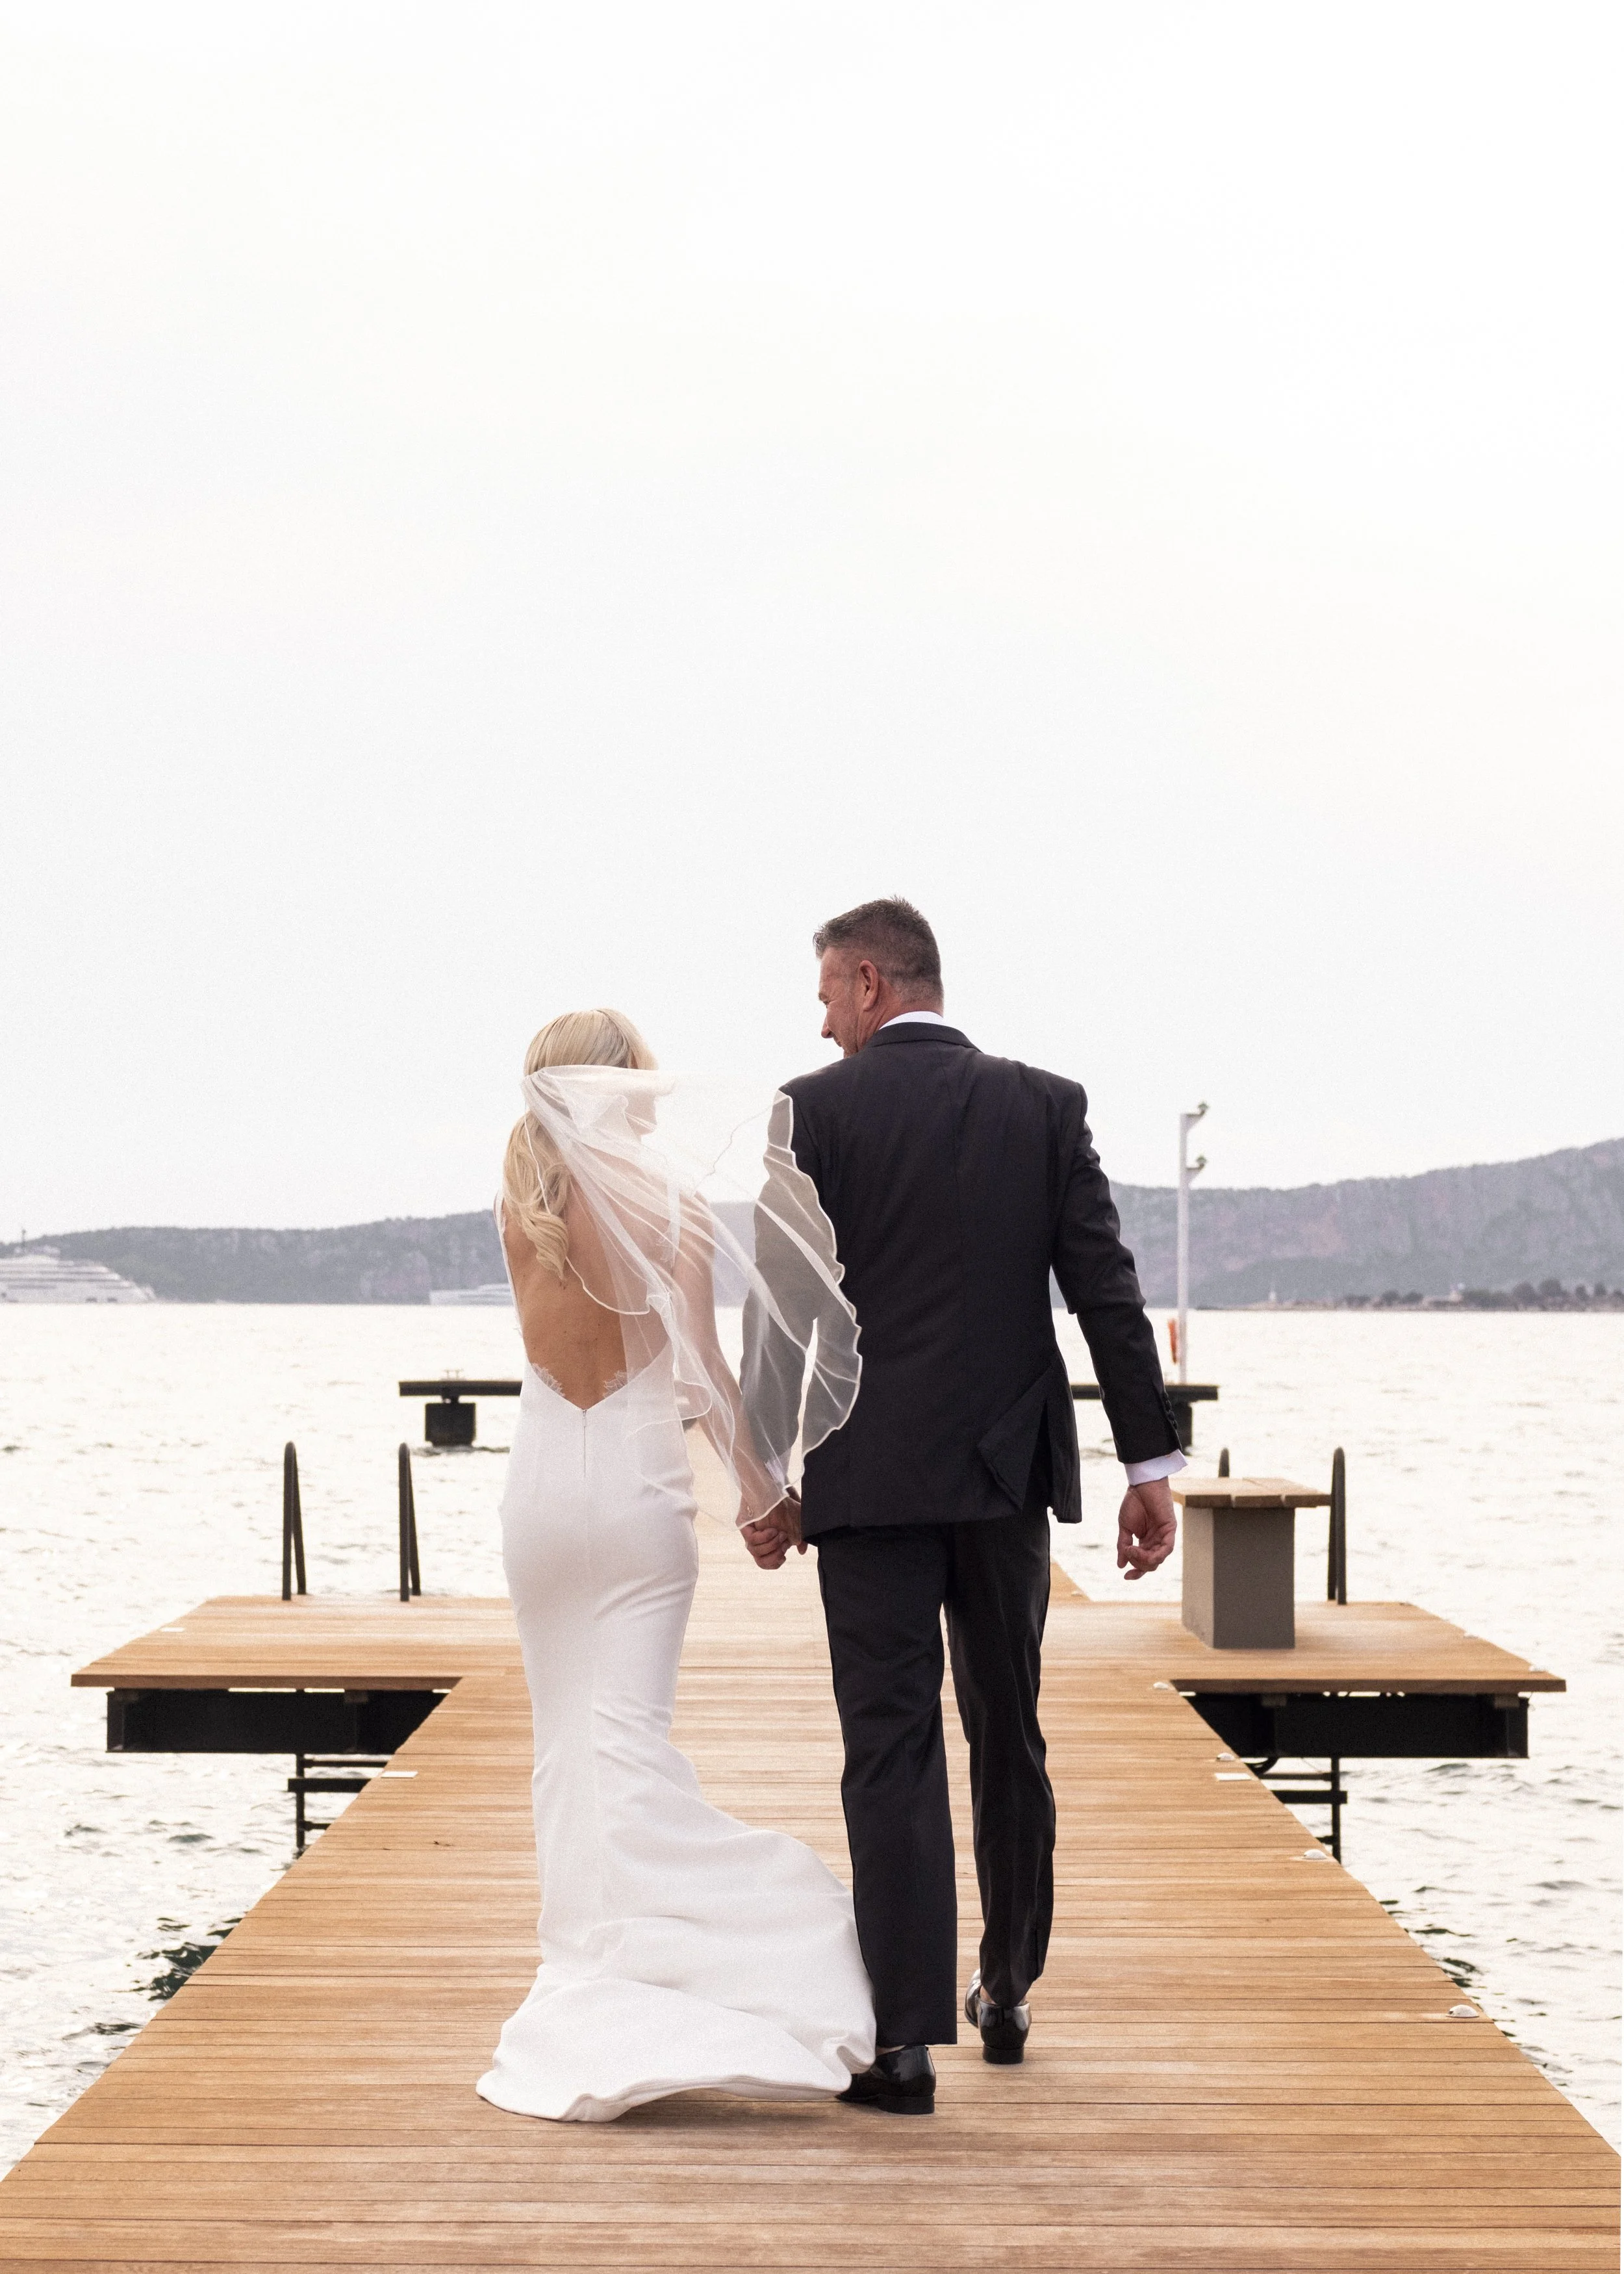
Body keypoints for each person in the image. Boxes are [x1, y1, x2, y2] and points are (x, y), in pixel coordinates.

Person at [741, 898, 1183, 2117]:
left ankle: (900, 2046)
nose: (821, 1019)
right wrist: (1149, 1469)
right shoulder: (1045, 1106)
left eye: (829, 992)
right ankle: (1009, 1985)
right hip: (1004, 1479)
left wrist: (766, 1473)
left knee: (889, 1748)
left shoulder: (811, 1113)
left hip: (867, 1478)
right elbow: (1106, 1292)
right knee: (1009, 1729)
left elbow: (781, 1312)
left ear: (874, 982)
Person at [476, 1008, 874, 2124]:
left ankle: (589, 1959)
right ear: (626, 1089)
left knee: (568, 1743)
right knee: (628, 1738)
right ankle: (767, 1936)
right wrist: (763, 1498)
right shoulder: (674, 1204)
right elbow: (700, 1373)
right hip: (642, 1496)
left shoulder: (522, 1202)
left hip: (547, 1489)